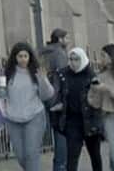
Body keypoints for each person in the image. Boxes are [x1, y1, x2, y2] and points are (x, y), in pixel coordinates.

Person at [0, 42, 56, 171]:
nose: (23, 59)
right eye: (20, 56)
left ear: (30, 57)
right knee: (21, 155)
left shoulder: (35, 73)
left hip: (34, 117)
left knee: (31, 153)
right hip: (13, 118)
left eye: (25, 56)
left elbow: (47, 95)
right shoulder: (8, 74)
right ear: (15, 57)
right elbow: (1, 94)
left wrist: (43, 80)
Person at [54, 47, 104, 171]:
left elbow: (98, 97)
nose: (73, 62)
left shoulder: (91, 75)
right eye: (71, 59)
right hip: (72, 121)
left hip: (90, 119)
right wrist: (59, 104)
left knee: (95, 155)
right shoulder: (64, 74)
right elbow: (58, 93)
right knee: (72, 156)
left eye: (76, 59)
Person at [42, 29, 73, 171]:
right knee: (61, 136)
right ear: (60, 39)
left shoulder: (42, 52)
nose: (69, 41)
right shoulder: (60, 53)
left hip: (42, 97)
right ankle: (60, 167)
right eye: (67, 38)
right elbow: (63, 77)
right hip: (56, 98)